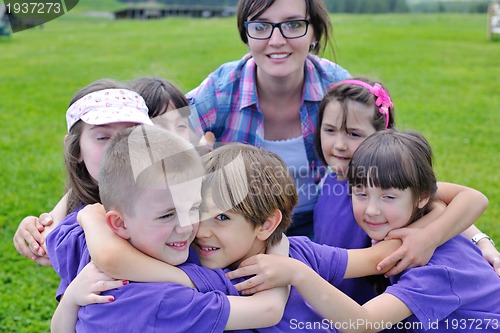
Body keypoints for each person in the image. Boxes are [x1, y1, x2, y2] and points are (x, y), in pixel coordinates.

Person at [77, 143, 416, 332]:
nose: (200, 229)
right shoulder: (186, 260)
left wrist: (439, 230)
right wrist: (86, 214)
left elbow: (380, 258)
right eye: (197, 210)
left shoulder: (301, 254)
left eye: (222, 217)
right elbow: (111, 256)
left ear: (266, 224)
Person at [227, 130, 500, 333]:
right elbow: (334, 261)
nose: (371, 210)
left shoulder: (440, 268)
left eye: (388, 197)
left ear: (421, 197)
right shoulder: (407, 226)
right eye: (361, 193)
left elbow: (363, 323)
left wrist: (298, 274)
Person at [51, 125, 289, 332]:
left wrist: (71, 299)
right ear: (119, 224)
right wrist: (279, 249)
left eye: (195, 208)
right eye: (167, 215)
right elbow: (267, 310)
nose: (187, 227)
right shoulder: (163, 300)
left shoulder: (84, 241)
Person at [311, 78, 498, 305]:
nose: (339, 144)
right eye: (330, 130)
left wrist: (478, 241)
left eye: (354, 134)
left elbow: (465, 201)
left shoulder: (391, 190)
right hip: (327, 297)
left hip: (372, 310)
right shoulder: (331, 180)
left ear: (382, 135)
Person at [186, 0, 351, 238]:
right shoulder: (222, 89)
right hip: (245, 232)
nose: (276, 41)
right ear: (247, 35)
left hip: (325, 225)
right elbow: (148, 146)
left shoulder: (335, 86)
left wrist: (425, 232)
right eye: (261, 26)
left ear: (314, 32)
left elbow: (392, 162)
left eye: (293, 25)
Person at [12, 76, 211, 265]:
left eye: (132, 134)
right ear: (75, 148)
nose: (118, 146)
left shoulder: (180, 187)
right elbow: (111, 262)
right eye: (102, 137)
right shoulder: (78, 226)